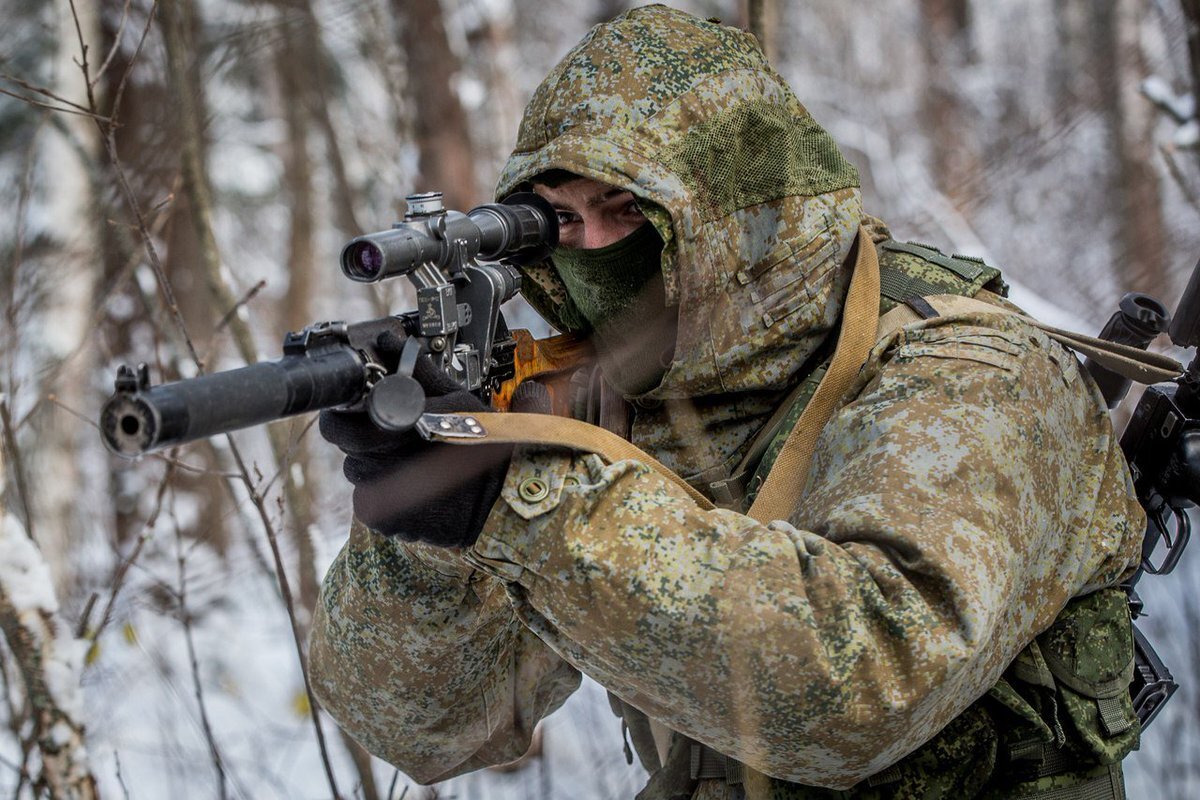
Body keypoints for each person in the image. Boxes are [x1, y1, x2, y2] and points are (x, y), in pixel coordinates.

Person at [310, 6, 1146, 799]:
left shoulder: (972, 370)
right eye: (562, 220)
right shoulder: (623, 394)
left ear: (741, 214)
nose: (595, 251)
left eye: (627, 209)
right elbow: (432, 732)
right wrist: (426, 522)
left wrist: (522, 505)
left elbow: (867, 684)